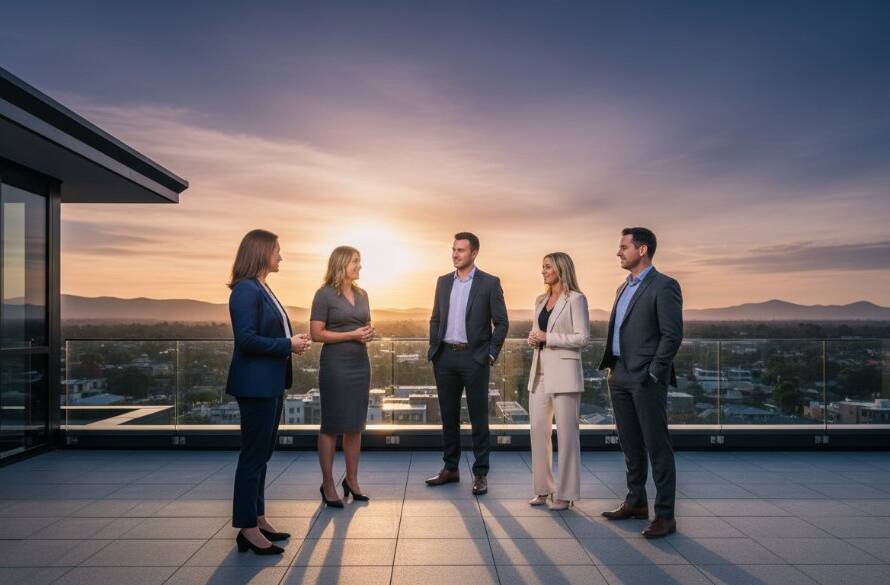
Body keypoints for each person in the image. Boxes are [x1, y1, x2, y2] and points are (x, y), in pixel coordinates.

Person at [226, 229, 311, 554]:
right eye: (277, 251)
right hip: (255, 386)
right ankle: (247, 528)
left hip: (270, 383)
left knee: (262, 454)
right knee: (253, 456)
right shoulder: (245, 290)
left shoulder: (261, 287)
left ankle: (257, 518)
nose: (281, 256)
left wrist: (290, 344)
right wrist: (287, 344)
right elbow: (246, 340)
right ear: (261, 253)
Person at [598, 227, 683, 538]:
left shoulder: (665, 286)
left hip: (645, 378)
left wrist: (654, 372)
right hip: (619, 374)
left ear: (642, 249)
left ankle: (665, 516)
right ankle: (635, 502)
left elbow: (672, 335)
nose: (618, 252)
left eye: (624, 247)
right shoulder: (623, 287)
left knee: (657, 446)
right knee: (630, 444)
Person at [426, 232, 508, 496]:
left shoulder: (489, 283)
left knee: (478, 418)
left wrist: (490, 354)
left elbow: (502, 323)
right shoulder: (442, 282)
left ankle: (480, 473)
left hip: (475, 358)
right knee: (448, 418)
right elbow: (435, 318)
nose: (455, 254)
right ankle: (450, 468)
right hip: (445, 358)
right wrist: (434, 349)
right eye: (453, 249)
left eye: (461, 250)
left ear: (474, 253)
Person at [310, 246, 374, 507]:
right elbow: (316, 334)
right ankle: (327, 484)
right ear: (341, 263)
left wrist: (368, 333)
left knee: (355, 425)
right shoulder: (323, 294)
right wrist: (352, 335)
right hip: (335, 366)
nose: (360, 266)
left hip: (360, 364)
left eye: (360, 261)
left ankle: (352, 480)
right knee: (331, 425)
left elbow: (365, 325)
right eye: (355, 262)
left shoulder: (362, 294)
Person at [526, 252, 589, 510]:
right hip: (539, 373)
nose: (543, 271)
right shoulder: (540, 300)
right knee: (538, 431)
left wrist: (547, 338)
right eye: (542, 267)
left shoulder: (576, 299)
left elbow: (582, 338)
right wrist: (534, 338)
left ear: (561, 269)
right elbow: (539, 332)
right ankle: (543, 489)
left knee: (567, 435)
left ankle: (566, 493)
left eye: (547, 267)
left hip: (565, 374)